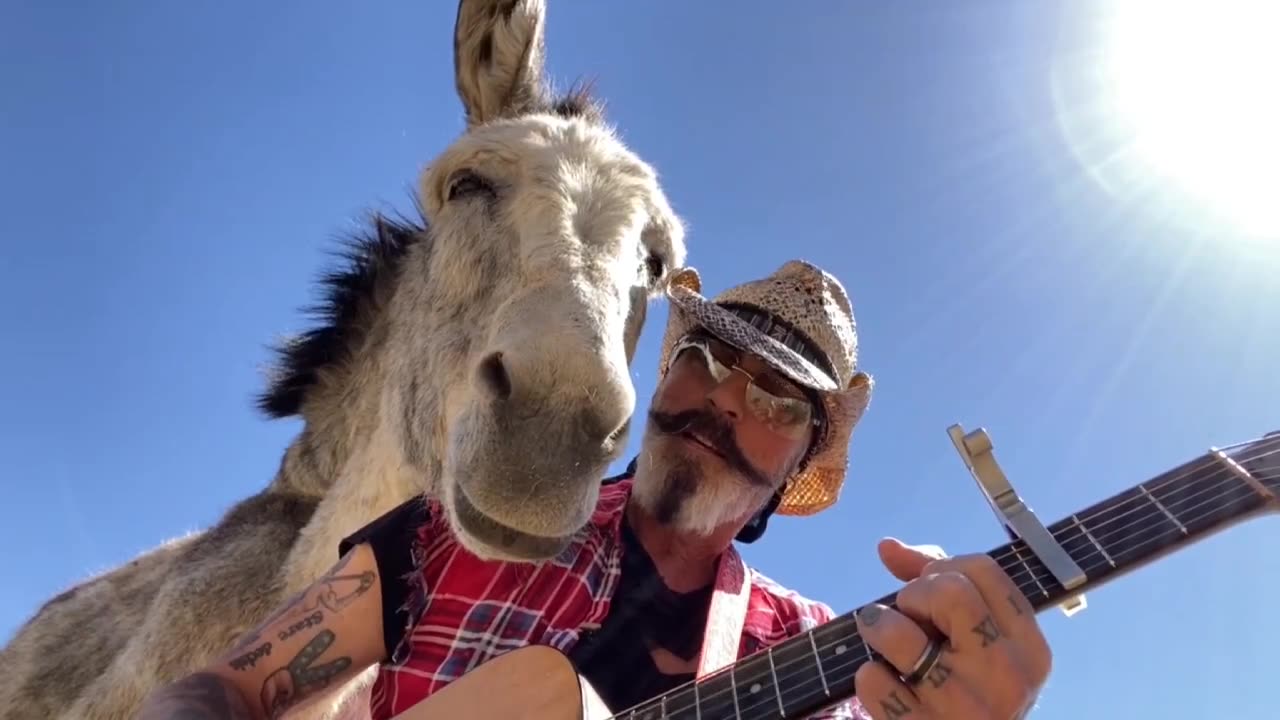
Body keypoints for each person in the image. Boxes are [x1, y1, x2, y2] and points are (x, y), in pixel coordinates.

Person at [138, 260, 1053, 720]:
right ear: (661, 382)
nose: (724, 398)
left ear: (793, 474)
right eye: (704, 356)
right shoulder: (467, 529)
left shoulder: (829, 661)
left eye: (775, 397)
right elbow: (235, 685)